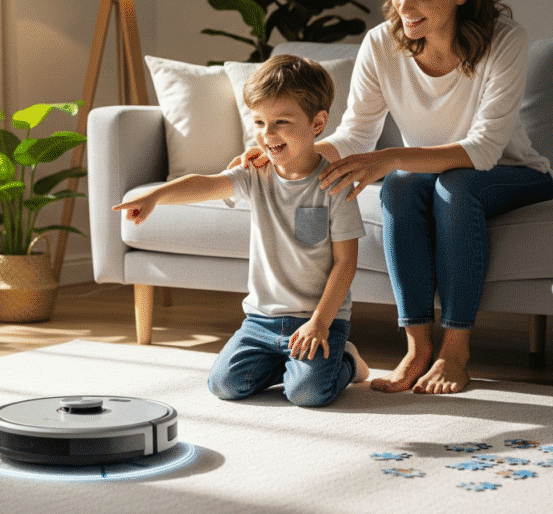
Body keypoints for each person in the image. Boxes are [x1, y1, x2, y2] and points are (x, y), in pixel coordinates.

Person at [234, 0, 553, 395]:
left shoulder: (505, 40)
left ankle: (456, 351)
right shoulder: (382, 44)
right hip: (428, 175)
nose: (405, 6)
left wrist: (388, 159)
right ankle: (418, 346)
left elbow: (483, 150)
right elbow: (357, 134)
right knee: (402, 185)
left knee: (451, 184)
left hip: (511, 173)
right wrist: (281, 151)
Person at [114, 55, 369, 407]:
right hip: (261, 321)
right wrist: (156, 195)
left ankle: (348, 360)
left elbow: (345, 265)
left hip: (317, 320)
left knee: (307, 394)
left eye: (281, 121)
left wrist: (320, 324)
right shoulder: (256, 174)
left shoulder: (334, 186)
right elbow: (207, 184)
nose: (268, 134)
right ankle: (289, 363)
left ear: (318, 123)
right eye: (260, 122)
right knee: (224, 384)